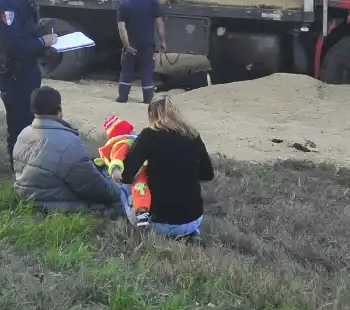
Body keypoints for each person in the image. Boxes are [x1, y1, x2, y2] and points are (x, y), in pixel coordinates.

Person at [113, 95, 213, 238]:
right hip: (193, 221)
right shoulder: (193, 135)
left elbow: (127, 176)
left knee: (125, 184)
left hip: (158, 224)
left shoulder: (149, 135)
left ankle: (138, 222)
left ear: (151, 115)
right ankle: (187, 232)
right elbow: (208, 174)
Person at [12, 86, 123, 212]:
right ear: (59, 109)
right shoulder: (68, 142)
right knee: (123, 201)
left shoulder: (23, 134)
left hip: (26, 197)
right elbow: (95, 188)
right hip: (57, 205)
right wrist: (120, 190)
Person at [0, 0, 58, 162]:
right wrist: (42, 42)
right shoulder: (6, 4)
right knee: (19, 123)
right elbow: (14, 45)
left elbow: (23, 31)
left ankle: (27, 165)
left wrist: (38, 29)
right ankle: (17, 170)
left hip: (27, 71)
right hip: (15, 74)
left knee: (29, 122)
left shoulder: (20, 0)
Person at [116, 0, 166, 104]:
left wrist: (127, 46)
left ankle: (123, 97)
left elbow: (122, 29)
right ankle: (148, 98)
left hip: (131, 43)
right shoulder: (153, 2)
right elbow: (159, 23)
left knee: (127, 70)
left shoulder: (124, 5)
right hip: (147, 44)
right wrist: (162, 41)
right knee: (146, 70)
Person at [95, 115, 152, 226]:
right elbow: (118, 157)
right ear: (126, 131)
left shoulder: (129, 141)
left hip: (137, 170)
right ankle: (141, 212)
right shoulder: (123, 143)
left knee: (139, 189)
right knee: (140, 189)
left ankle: (141, 212)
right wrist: (116, 169)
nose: (133, 130)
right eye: (131, 129)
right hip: (137, 172)